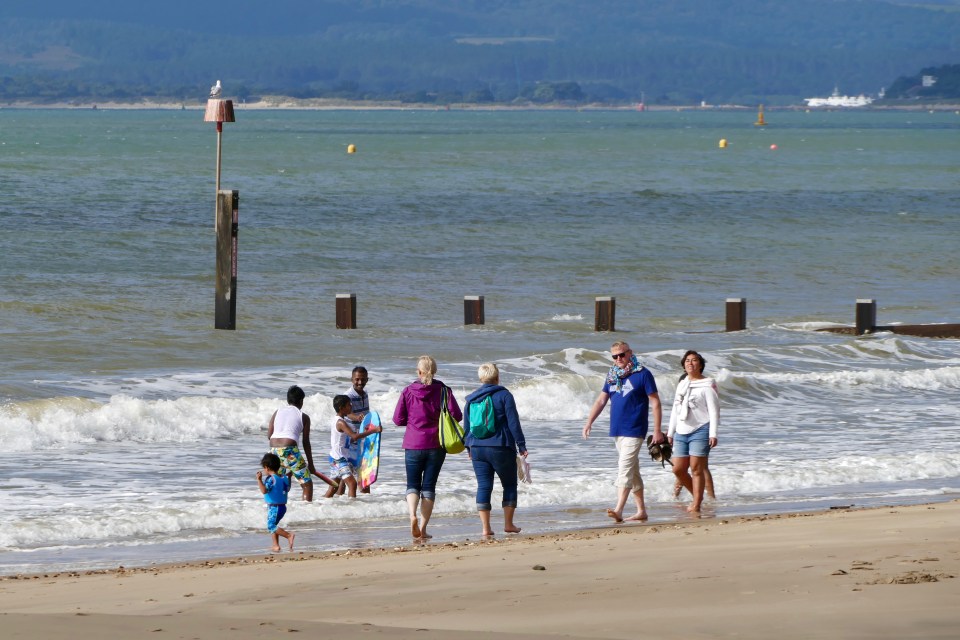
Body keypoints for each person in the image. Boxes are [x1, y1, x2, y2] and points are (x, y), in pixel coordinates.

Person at [582, 341, 663, 523]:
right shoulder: (612, 376)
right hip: (617, 430)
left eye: (622, 355)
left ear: (630, 353)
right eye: (615, 356)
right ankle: (641, 511)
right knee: (633, 471)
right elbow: (601, 401)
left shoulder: (643, 374)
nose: (619, 359)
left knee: (624, 468)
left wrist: (657, 430)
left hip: (635, 429)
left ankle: (618, 509)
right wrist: (589, 422)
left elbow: (655, 402)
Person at [392, 355, 462, 540]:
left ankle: (412, 516)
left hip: (413, 444)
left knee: (412, 485)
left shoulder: (408, 391)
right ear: (434, 371)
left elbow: (397, 419)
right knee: (429, 487)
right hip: (436, 444)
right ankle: (422, 529)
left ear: (419, 371)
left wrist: (414, 420)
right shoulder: (444, 391)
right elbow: (457, 415)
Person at [463, 363, 528, 537]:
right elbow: (513, 422)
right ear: (497, 377)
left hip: (477, 448)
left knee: (484, 486)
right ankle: (508, 524)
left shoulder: (471, 399)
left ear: (481, 378)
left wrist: (468, 447)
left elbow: (467, 427)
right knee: (509, 484)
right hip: (501, 447)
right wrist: (521, 445)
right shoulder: (504, 395)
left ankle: (485, 528)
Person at [667, 350, 720, 514]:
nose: (690, 363)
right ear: (684, 365)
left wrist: (713, 433)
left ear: (701, 365)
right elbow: (675, 411)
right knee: (678, 469)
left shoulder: (707, 384)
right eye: (687, 360)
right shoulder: (682, 384)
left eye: (694, 360)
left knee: (697, 469)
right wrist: (670, 433)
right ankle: (699, 496)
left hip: (701, 429)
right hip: (681, 431)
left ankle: (696, 504)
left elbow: (714, 411)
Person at [267, 385, 318, 502]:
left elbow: (269, 435)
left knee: (280, 483)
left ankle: (277, 507)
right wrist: (311, 464)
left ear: (288, 400)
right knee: (306, 484)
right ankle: (306, 511)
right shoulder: (303, 417)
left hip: (274, 451)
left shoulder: (277, 412)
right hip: (289, 450)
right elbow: (306, 442)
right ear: (301, 401)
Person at [325, 394, 380, 498]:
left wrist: (361, 433)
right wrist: (374, 430)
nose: (351, 406)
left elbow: (346, 439)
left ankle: (319, 505)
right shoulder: (341, 422)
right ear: (342, 408)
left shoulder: (338, 420)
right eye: (348, 405)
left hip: (334, 457)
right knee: (352, 484)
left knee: (333, 488)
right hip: (339, 459)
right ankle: (352, 508)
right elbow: (354, 436)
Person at [331, 366, 373, 496]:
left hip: (361, 440)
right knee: (347, 479)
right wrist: (357, 417)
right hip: (350, 442)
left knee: (354, 476)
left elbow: (366, 414)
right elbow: (348, 414)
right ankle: (345, 504)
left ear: (367, 379)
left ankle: (358, 502)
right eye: (357, 379)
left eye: (363, 379)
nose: (360, 382)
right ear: (351, 379)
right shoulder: (347, 395)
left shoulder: (365, 394)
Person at [256, 452, 295, 552]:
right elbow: (288, 488)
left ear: (267, 467)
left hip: (275, 507)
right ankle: (275, 545)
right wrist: (289, 477)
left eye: (264, 468)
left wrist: (259, 480)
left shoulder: (271, 479)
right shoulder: (283, 478)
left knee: (271, 526)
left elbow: (264, 490)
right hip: (281, 507)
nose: (264, 470)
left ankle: (288, 535)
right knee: (274, 525)